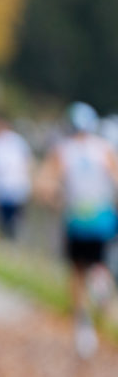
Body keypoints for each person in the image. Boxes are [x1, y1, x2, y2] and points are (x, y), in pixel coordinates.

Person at [39, 101, 118, 359]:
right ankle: (101, 289)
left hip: (76, 220)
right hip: (103, 218)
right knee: (100, 265)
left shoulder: (63, 151)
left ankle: (83, 325)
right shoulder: (103, 149)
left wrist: (56, 199)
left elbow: (43, 185)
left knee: (76, 274)